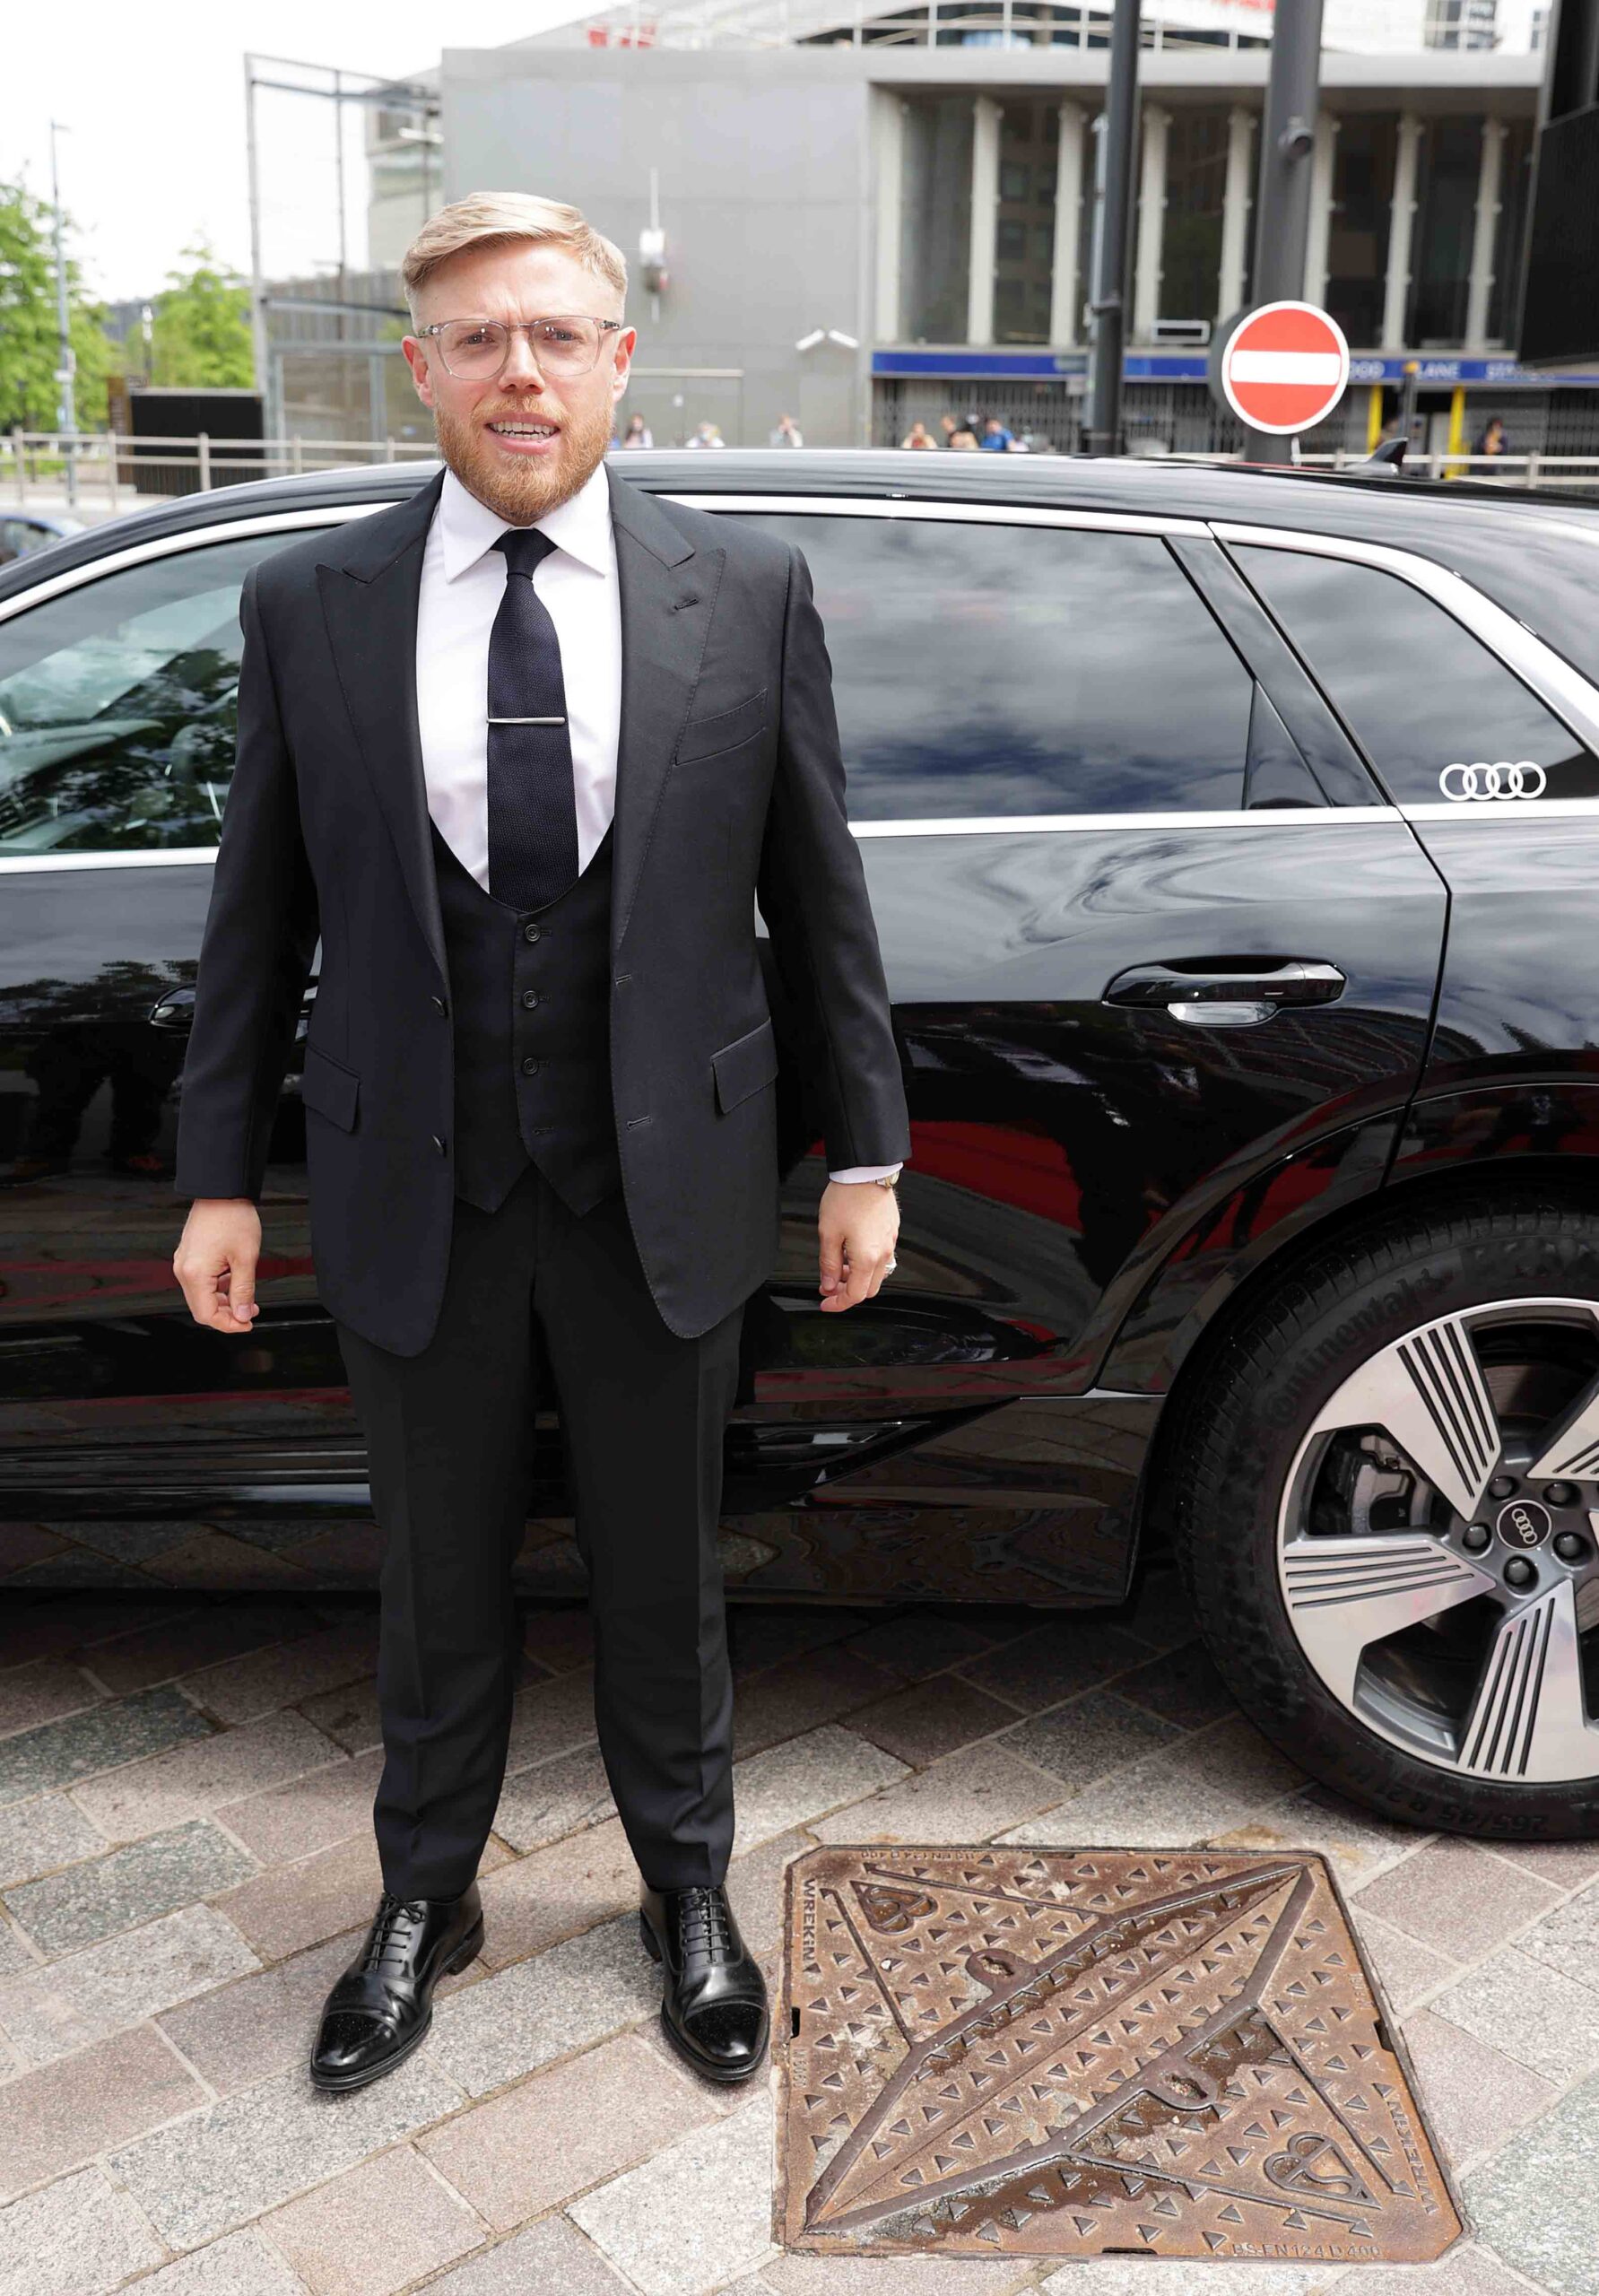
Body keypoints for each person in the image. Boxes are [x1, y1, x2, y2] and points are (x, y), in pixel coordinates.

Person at [169, 191, 908, 2099]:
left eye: (557, 335)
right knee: (433, 1579)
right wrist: (219, 1173)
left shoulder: (744, 589)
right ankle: (427, 1895)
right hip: (413, 1175)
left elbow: (818, 887)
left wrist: (866, 1150)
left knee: (668, 1571)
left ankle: (687, 1893)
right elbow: (255, 908)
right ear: (421, 367)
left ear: (617, 360)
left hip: (665, 1177)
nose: (522, 372)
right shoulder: (311, 602)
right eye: (481, 338)